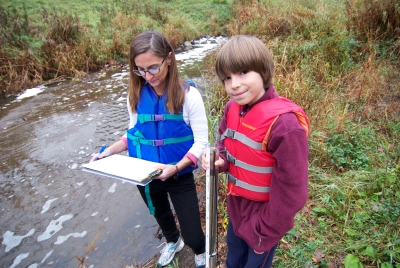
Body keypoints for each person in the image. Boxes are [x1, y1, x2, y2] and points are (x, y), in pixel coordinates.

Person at [90, 30, 208, 267]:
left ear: (169, 59)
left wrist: (176, 168)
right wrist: (107, 153)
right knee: (162, 216)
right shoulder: (135, 94)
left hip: (179, 174)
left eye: (153, 67)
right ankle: (173, 242)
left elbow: (201, 142)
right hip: (144, 173)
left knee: (194, 235)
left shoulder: (189, 96)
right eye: (140, 70)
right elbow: (133, 134)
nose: (148, 75)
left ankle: (199, 250)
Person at [202, 35, 310, 268]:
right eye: (226, 78)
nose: (234, 84)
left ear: (263, 71)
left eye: (242, 72)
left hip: (264, 220)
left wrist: (266, 228)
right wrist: (219, 161)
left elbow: (294, 192)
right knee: (234, 260)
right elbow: (224, 146)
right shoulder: (232, 108)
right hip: (237, 209)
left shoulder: (284, 126)